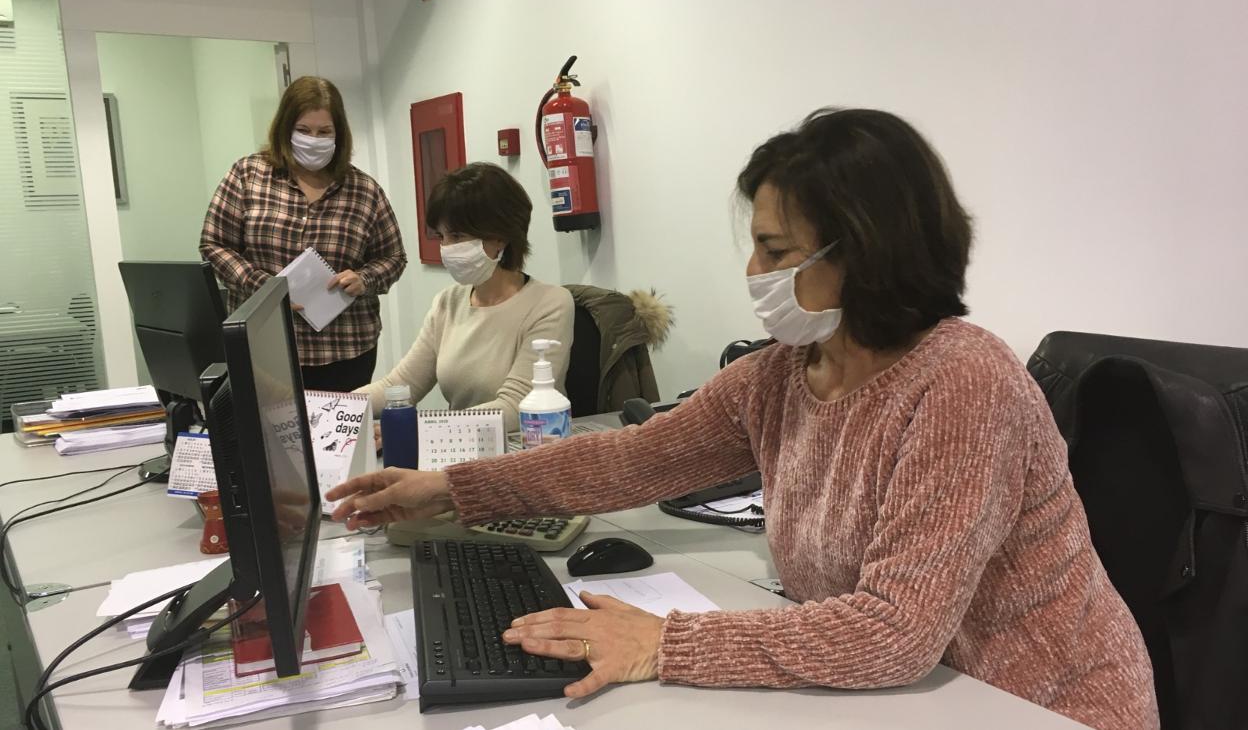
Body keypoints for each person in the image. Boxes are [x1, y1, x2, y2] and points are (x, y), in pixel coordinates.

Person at [326, 109, 1159, 730]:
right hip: (903, 697)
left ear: (865, 253)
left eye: (776, 251)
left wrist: (665, 645)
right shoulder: (783, 376)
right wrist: (449, 491)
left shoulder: (963, 383)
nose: (751, 270)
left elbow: (895, 631)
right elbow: (630, 461)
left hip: (1033, 703)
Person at [200, 76, 407, 392]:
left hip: (347, 350)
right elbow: (214, 244)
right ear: (286, 129)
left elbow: (393, 258)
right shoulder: (248, 175)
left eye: (325, 132)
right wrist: (266, 288)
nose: (314, 139)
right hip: (266, 346)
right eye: (304, 131)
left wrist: (365, 279)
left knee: (342, 440)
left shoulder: (363, 190)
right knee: (270, 439)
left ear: (339, 134)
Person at [359, 162, 574, 432]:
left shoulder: (551, 303)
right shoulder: (448, 303)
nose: (447, 248)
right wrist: (335, 408)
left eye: (458, 235)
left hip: (520, 453)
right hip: (456, 449)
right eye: (442, 236)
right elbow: (399, 386)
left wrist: (418, 428)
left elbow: (515, 406)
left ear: (500, 237)